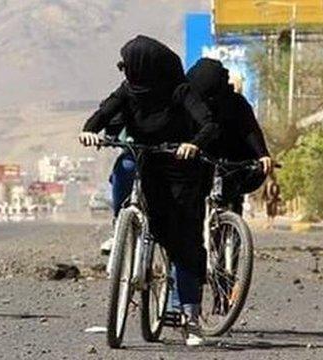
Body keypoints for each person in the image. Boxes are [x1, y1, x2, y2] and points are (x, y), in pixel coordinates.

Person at [78, 35, 219, 346]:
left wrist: (192, 144)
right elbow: (103, 112)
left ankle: (190, 318)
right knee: (124, 168)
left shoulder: (180, 90)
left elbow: (209, 124)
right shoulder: (129, 90)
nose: (127, 72)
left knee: (183, 242)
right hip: (142, 157)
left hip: (176, 166)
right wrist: (89, 131)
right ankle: (121, 227)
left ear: (148, 67)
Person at [186, 58, 273, 214]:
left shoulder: (236, 103)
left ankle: (233, 231)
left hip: (232, 158)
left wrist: (262, 154)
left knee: (232, 197)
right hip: (198, 156)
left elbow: (250, 129)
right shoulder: (189, 100)